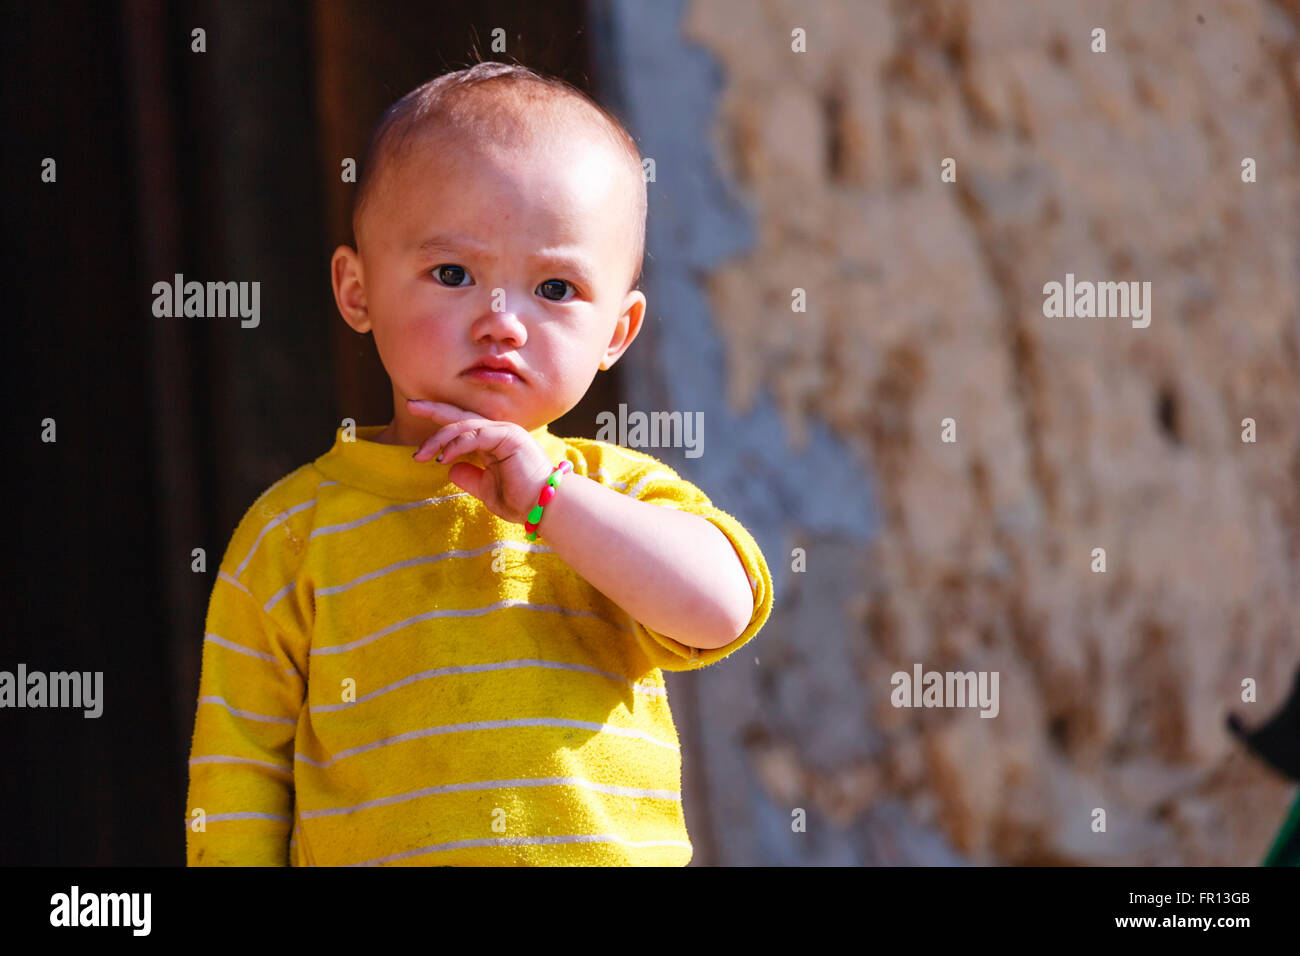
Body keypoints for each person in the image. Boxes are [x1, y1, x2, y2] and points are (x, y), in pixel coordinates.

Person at [184, 61, 773, 866]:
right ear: (357, 291)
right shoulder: (292, 533)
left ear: (618, 333)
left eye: (556, 288)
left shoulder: (612, 494)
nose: (503, 322)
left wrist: (551, 502)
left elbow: (721, 609)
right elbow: (239, 770)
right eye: (454, 274)